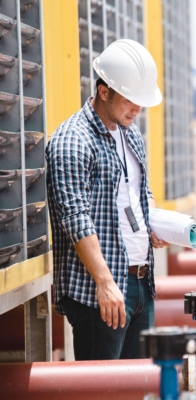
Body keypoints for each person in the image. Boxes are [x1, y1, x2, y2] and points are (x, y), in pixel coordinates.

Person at [46, 39, 168, 361]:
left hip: (141, 283)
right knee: (103, 391)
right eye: (131, 100)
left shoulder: (131, 133)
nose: (137, 110)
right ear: (104, 91)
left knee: (136, 387)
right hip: (100, 291)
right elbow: (75, 216)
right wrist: (105, 282)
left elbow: (141, 193)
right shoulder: (73, 141)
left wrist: (155, 224)